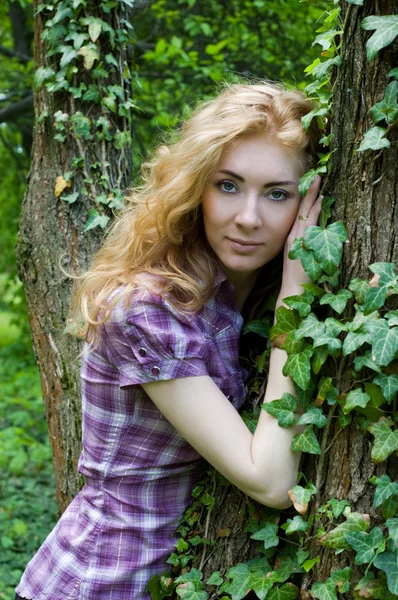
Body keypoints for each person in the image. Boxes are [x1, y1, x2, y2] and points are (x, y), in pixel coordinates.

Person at [16, 81, 322, 600]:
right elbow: (269, 480)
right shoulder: (149, 309)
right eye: (228, 185)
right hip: (96, 583)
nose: (248, 217)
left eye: (277, 193)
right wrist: (296, 296)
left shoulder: (236, 302)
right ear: (195, 187)